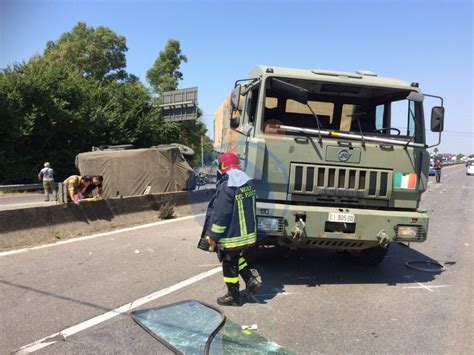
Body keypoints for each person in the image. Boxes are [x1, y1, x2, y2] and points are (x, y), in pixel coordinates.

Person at [202, 151, 262, 307]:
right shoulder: (248, 183)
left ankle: (233, 296)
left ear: (223, 166)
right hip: (247, 235)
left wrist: (213, 235)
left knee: (228, 262)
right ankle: (251, 280)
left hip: (232, 236)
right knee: (236, 257)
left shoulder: (226, 186)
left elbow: (221, 214)